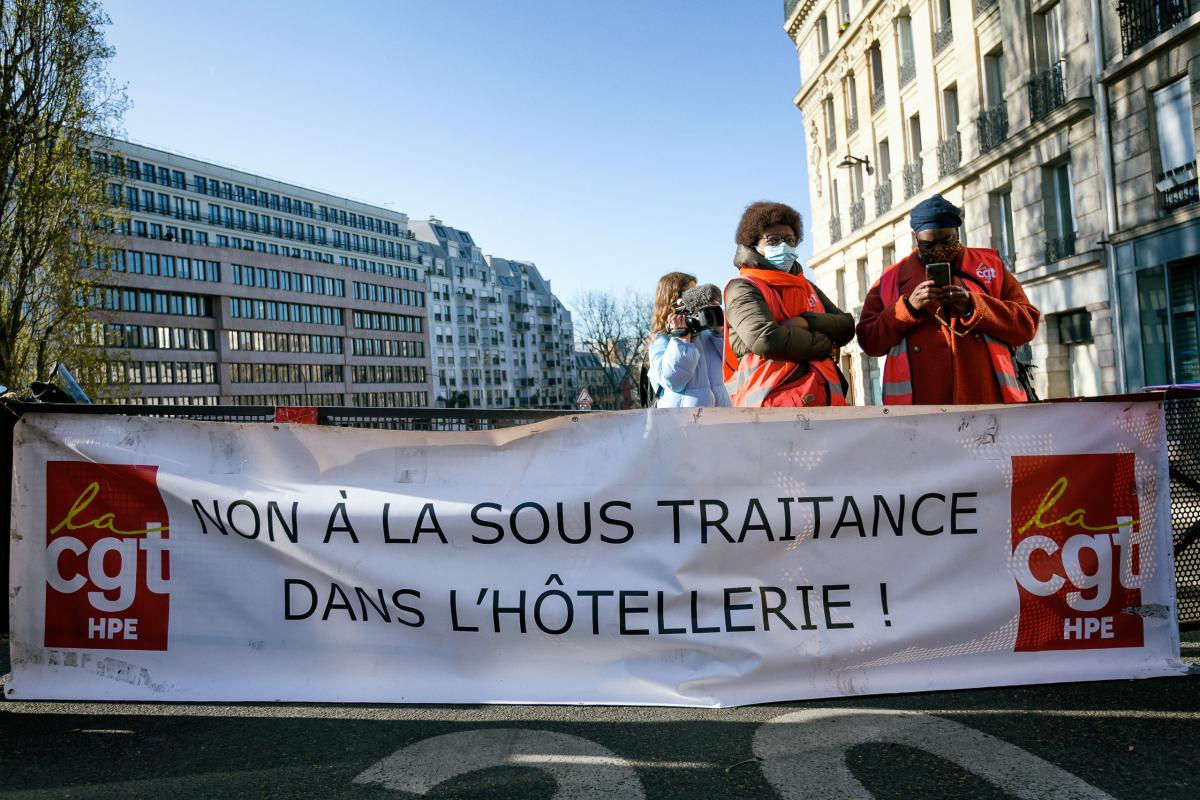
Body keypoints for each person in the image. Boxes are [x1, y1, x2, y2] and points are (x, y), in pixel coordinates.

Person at [856, 193, 1040, 405]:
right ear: (916, 239)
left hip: (986, 402)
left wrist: (973, 305)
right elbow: (869, 341)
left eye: (947, 241)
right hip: (921, 412)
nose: (939, 250)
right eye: (928, 245)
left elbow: (1027, 324)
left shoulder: (991, 267)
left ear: (957, 232)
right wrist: (908, 308)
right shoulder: (891, 279)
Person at [723, 201, 854, 407]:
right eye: (773, 240)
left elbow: (846, 326)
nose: (783, 246)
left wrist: (806, 322)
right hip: (772, 404)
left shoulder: (805, 285)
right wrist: (827, 344)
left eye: (789, 239)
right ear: (753, 244)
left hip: (825, 401)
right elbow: (767, 340)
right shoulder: (742, 288)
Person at [647, 272, 732, 408]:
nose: (696, 302)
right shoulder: (661, 341)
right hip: (685, 423)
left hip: (722, 418)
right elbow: (673, 381)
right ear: (674, 303)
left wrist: (720, 331)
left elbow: (733, 366)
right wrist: (681, 340)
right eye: (689, 296)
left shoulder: (707, 335)